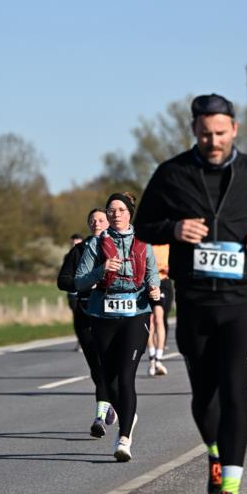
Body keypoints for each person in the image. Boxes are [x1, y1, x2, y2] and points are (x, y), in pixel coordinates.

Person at [135, 92, 247, 494]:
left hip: (242, 299)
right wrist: (173, 229)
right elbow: (143, 226)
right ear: (194, 132)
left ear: (234, 129)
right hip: (196, 300)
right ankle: (215, 457)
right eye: (205, 134)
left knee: (236, 393)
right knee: (205, 395)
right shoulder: (172, 173)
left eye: (220, 133)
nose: (213, 141)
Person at [75, 192, 160, 462]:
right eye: (111, 210)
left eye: (120, 210)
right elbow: (78, 282)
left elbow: (152, 275)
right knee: (108, 381)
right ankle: (128, 415)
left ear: (129, 213)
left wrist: (155, 289)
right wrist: (100, 271)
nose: (115, 214)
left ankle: (124, 438)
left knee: (126, 376)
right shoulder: (95, 245)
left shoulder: (143, 243)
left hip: (136, 312)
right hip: (103, 314)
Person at [57, 210, 117, 437]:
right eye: (92, 221)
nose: (96, 223)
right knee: (96, 367)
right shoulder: (79, 251)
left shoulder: (117, 247)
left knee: (108, 367)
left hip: (111, 313)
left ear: (109, 222)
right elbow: (62, 281)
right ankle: (108, 402)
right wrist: (84, 282)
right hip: (85, 313)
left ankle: (100, 416)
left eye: (101, 220)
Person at [147, 244, 174, 376]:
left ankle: (158, 357)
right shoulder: (146, 244)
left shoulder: (168, 244)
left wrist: (171, 268)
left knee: (158, 317)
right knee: (149, 321)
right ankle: (152, 357)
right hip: (147, 283)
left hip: (163, 282)